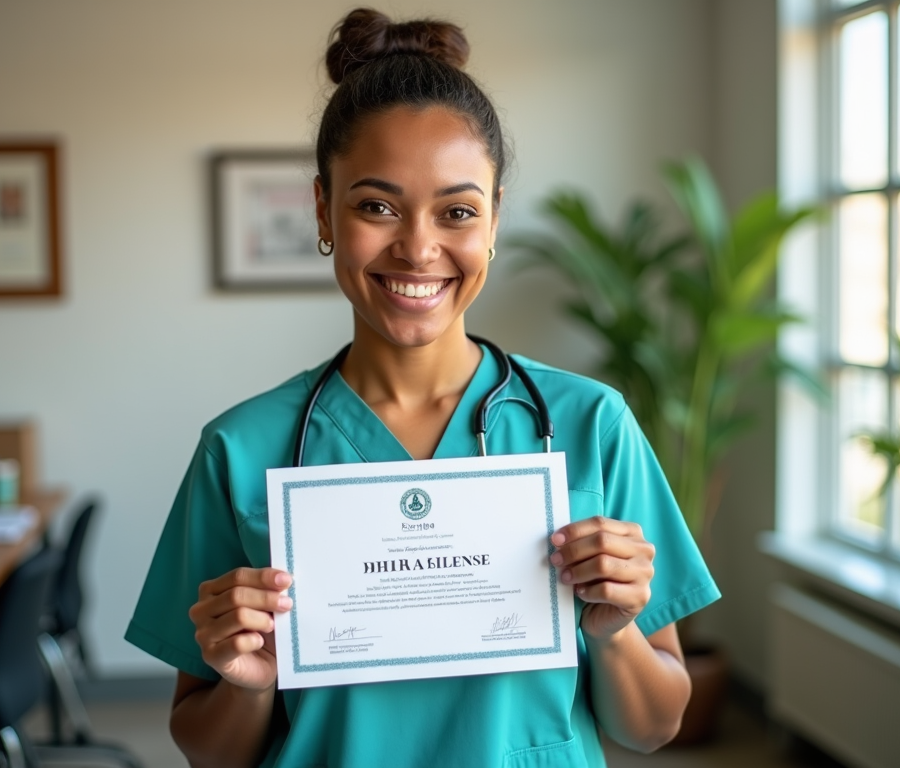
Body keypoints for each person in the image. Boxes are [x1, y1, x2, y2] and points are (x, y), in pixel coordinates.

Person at [125, 8, 720, 768]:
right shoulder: (239, 449)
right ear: (322, 211)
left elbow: (653, 726)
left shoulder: (589, 424)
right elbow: (207, 748)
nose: (417, 247)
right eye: (377, 206)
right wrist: (246, 686)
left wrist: (613, 631)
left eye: (458, 211)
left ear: (494, 220)